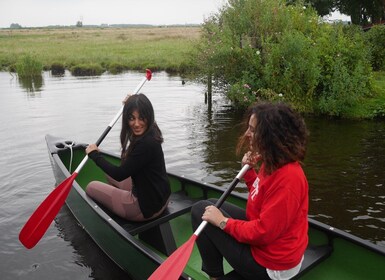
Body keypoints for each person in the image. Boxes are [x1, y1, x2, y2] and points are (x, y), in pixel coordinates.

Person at [191, 102, 309, 280]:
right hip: (268, 245)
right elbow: (261, 195)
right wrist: (248, 173)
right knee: (209, 206)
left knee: (201, 211)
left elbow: (263, 232)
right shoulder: (273, 161)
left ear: (271, 136)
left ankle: (215, 276)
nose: (247, 134)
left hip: (272, 266)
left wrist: (223, 222)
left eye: (253, 130)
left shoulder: (288, 179)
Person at [85, 93, 170, 221]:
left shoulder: (145, 144)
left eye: (141, 118)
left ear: (148, 116)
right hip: (162, 199)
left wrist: (95, 155)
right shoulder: (153, 130)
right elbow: (117, 173)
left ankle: (118, 210)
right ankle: (117, 202)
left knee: (91, 186)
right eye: (131, 118)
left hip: (143, 209)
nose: (136, 124)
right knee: (109, 174)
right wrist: (131, 103)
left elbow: (119, 174)